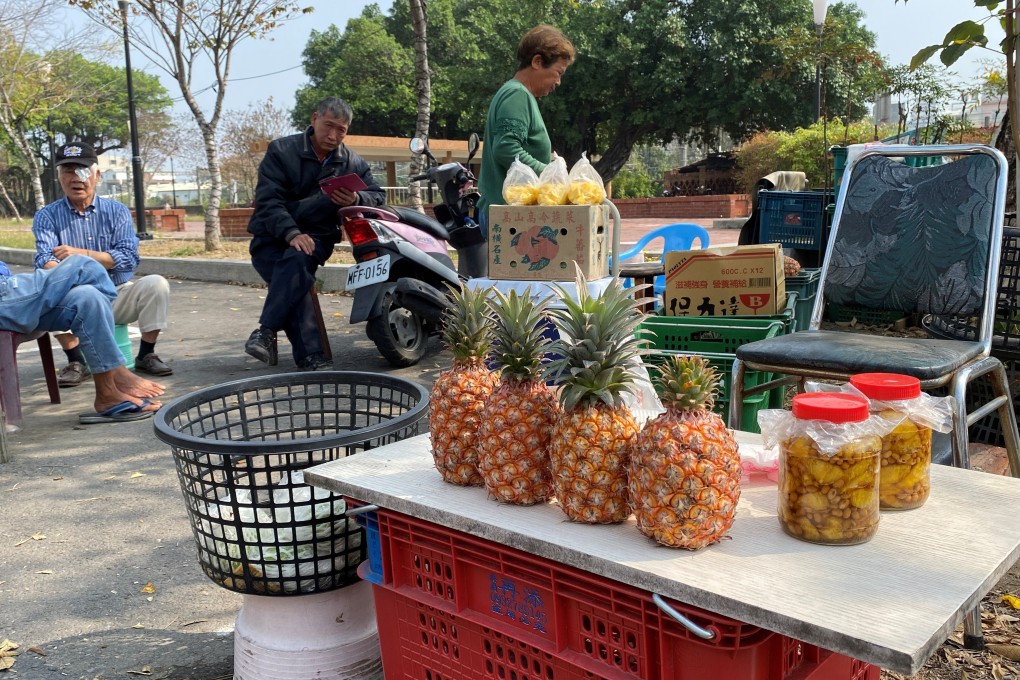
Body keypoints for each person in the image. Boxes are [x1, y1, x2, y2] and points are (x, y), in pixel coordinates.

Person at [244, 96, 385, 371]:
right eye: (328, 125)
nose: (333, 136)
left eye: (341, 130)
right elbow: (268, 201)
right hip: (271, 238)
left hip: (318, 237)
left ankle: (266, 332)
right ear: (314, 119)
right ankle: (311, 357)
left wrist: (357, 197)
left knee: (297, 264)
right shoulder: (281, 150)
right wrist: (292, 233)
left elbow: (378, 195)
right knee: (297, 275)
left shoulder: (351, 161)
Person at [33, 142, 173, 387]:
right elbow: (46, 259)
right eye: (68, 170)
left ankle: (146, 353)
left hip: (116, 293)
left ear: (97, 175)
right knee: (49, 289)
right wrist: (96, 263)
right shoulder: (47, 216)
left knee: (156, 284)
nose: (76, 177)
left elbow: (128, 258)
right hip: (76, 299)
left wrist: (79, 255)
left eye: (83, 170)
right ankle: (76, 361)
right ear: (59, 177)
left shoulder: (117, 211)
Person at [0, 255, 165, 424]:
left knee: (89, 298)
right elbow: (44, 256)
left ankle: (107, 394)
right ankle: (117, 371)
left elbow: (127, 258)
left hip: (9, 291)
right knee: (83, 265)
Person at [476, 24, 575, 237]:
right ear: (537, 62)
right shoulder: (517, 95)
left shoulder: (518, 94)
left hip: (509, 216)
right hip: (507, 217)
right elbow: (506, 149)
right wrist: (550, 175)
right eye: (558, 72)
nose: (558, 82)